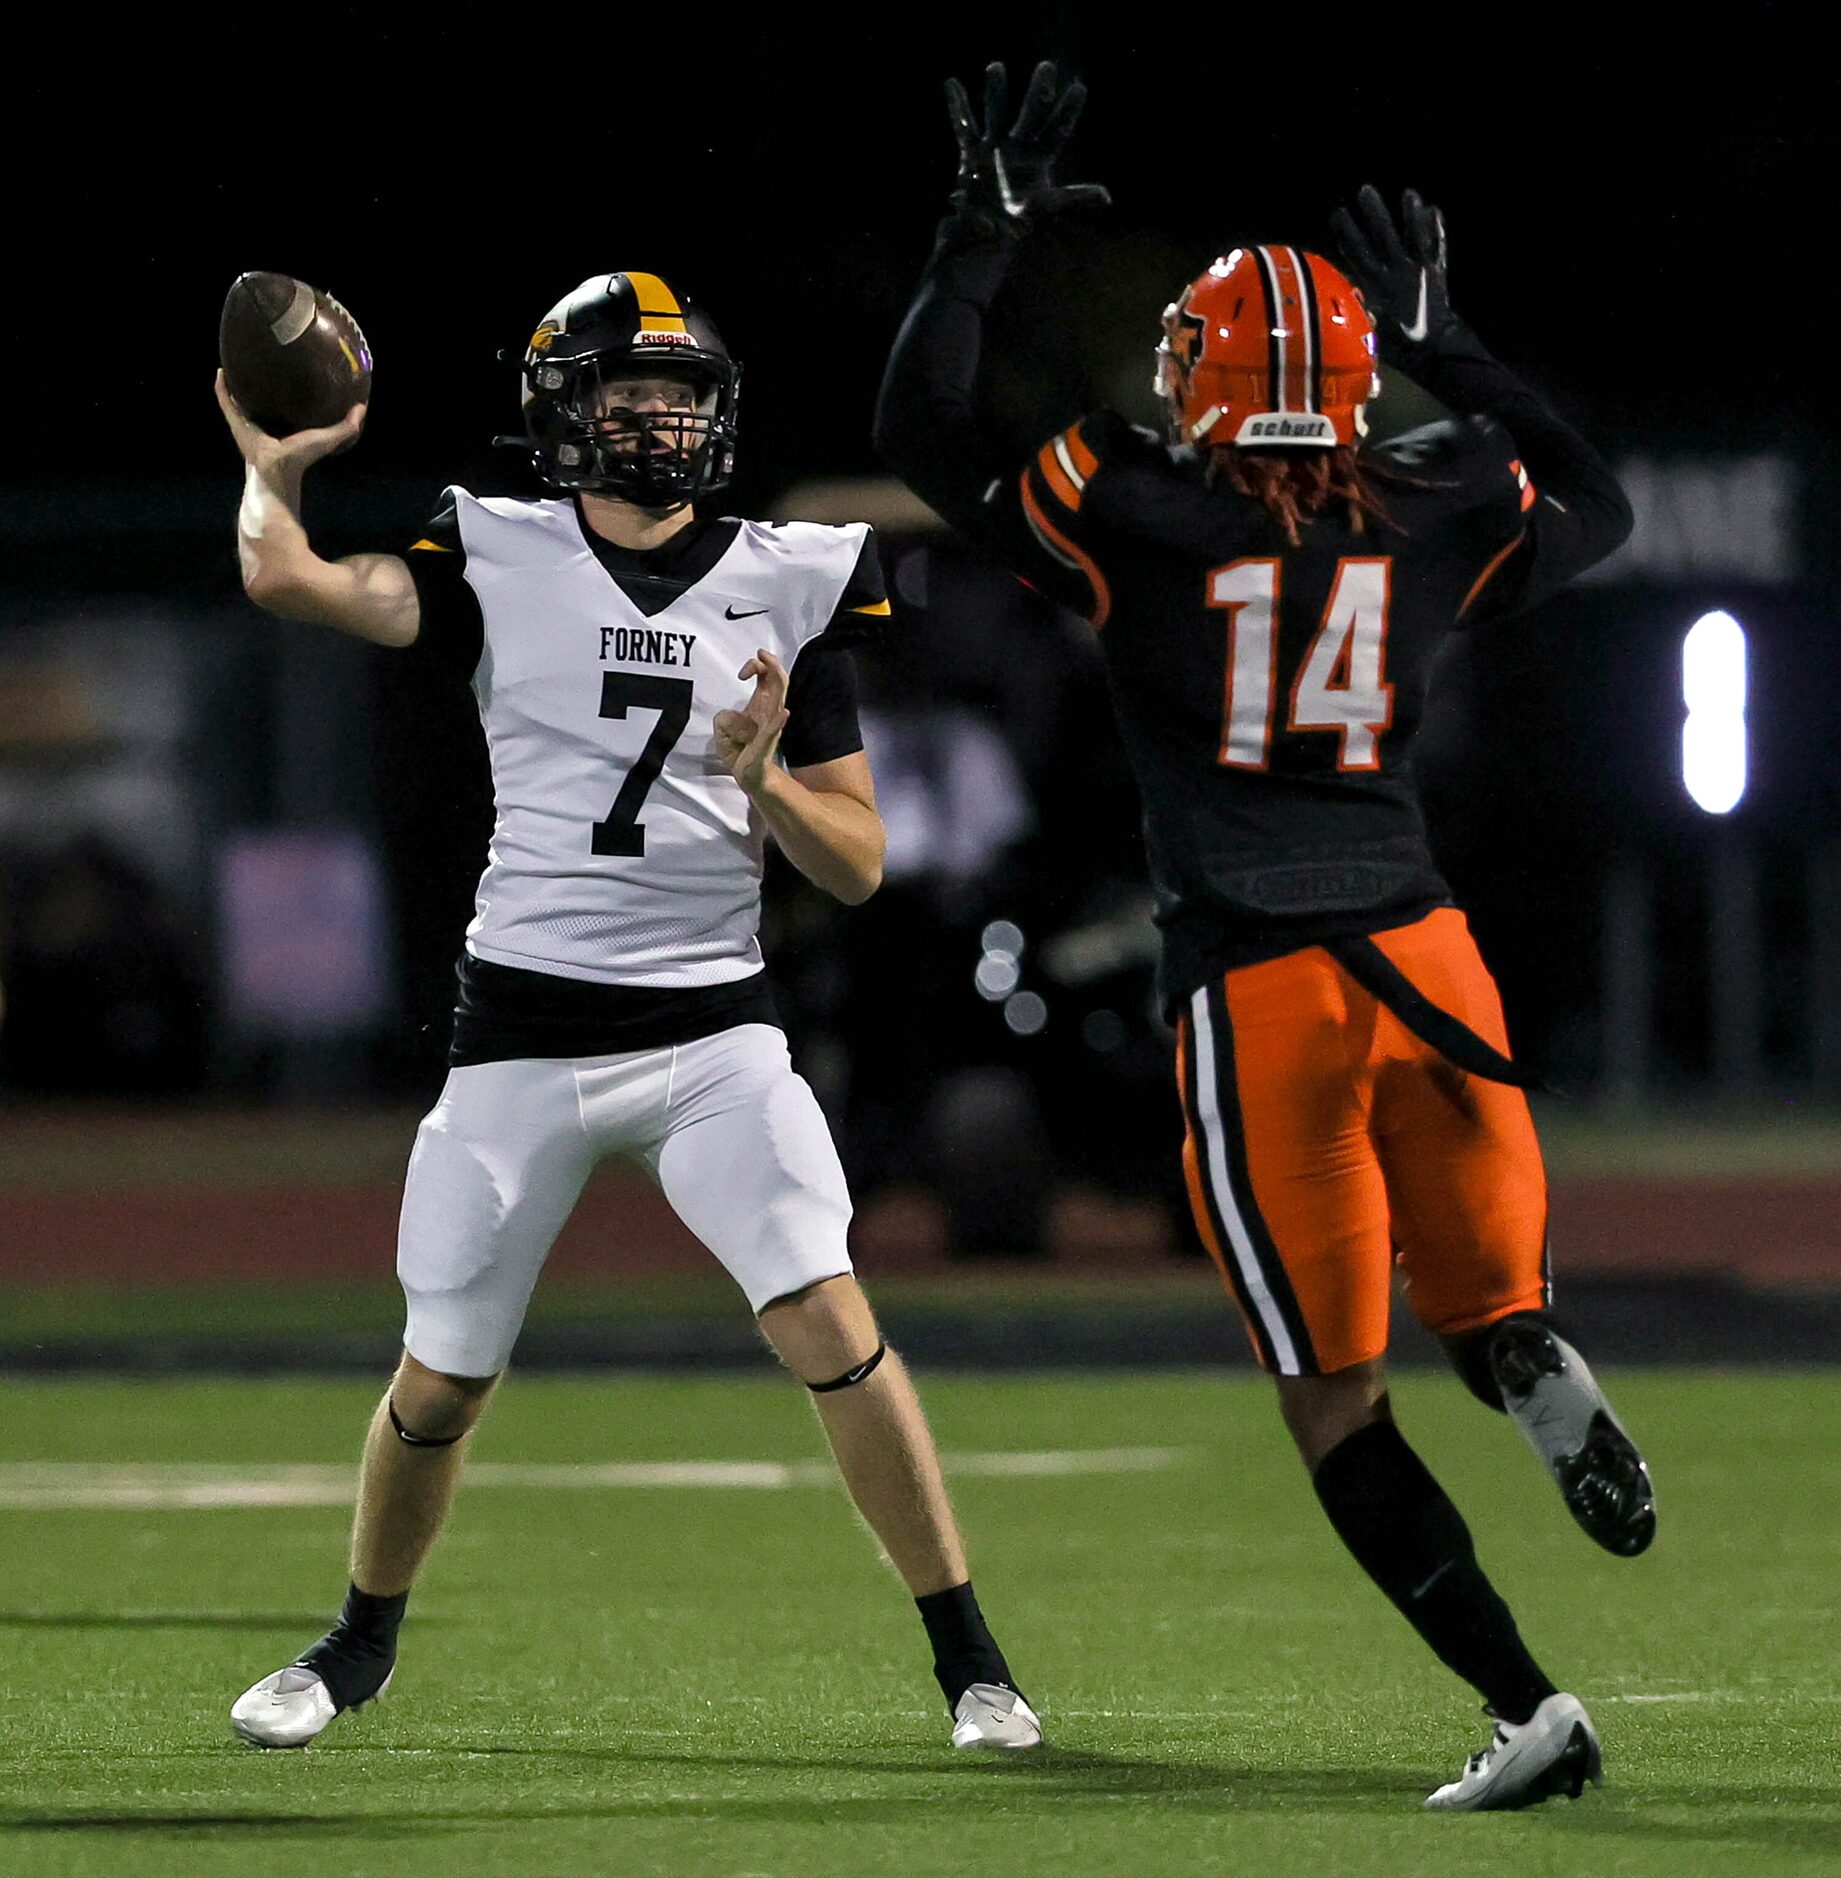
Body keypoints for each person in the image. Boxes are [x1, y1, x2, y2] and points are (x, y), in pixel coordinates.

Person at [876, 62, 1652, 1811]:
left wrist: (975, 241)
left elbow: (926, 438)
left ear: (1201, 382)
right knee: (1483, 1300)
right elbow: (1596, 505)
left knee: (1329, 1396)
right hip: (1430, 954)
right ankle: (1527, 1360)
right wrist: (1451, 341)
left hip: (1255, 980)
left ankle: (1527, 1704)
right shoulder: (1434, 493)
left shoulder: (1131, 500)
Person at [217, 269, 1038, 1753]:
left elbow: (854, 865)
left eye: (682, 393)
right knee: (441, 1375)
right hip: (520, 1031)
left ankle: (973, 1661)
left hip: (710, 1034)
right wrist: (270, 471)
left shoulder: (793, 574)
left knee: (833, 1323)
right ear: (563, 414)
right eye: (629, 393)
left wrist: (763, 779)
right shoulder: (495, 545)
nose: (661, 418)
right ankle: (355, 1644)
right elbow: (291, 581)